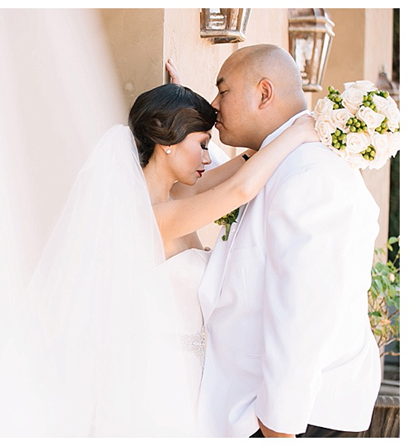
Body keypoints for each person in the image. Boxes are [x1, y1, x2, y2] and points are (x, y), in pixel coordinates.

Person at [24, 81, 318, 435]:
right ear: (167, 142)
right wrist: (300, 132)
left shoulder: (176, 196)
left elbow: (242, 168)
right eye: (203, 144)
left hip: (189, 374)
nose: (208, 158)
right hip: (156, 381)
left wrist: (276, 130)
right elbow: (240, 189)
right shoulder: (149, 216)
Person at [169, 44, 381, 437]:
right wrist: (178, 134)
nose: (214, 105)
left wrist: (278, 424)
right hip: (252, 410)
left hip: (293, 418)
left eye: (223, 91)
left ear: (264, 93)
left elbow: (307, 309)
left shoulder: (312, 175)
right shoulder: (282, 162)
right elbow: (231, 184)